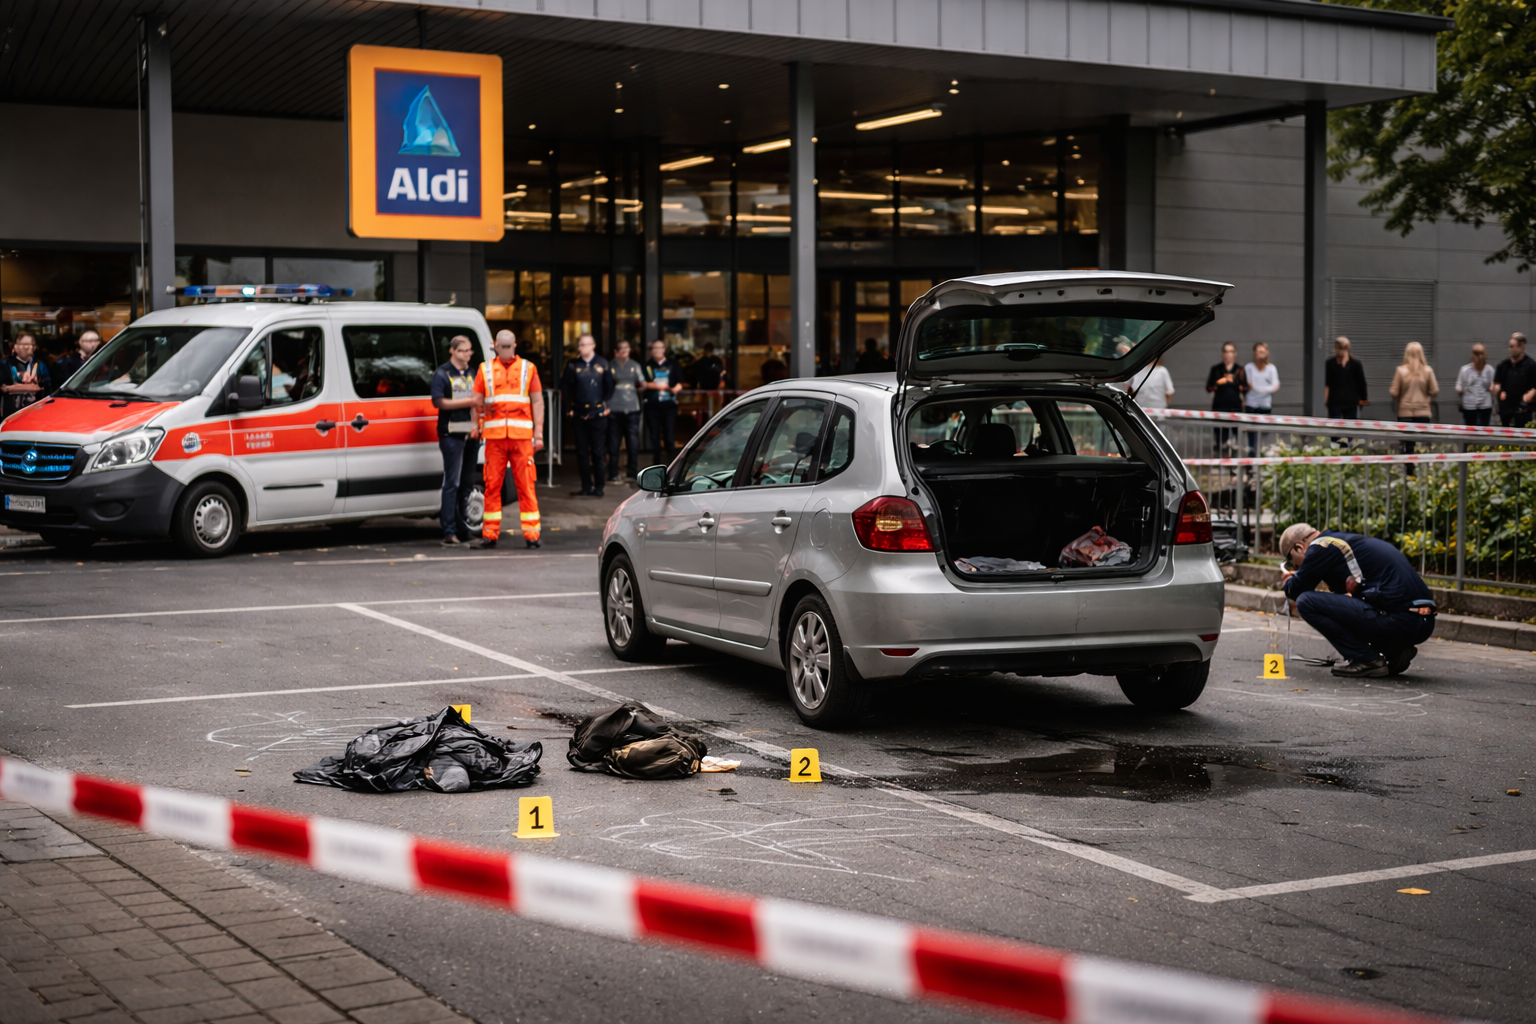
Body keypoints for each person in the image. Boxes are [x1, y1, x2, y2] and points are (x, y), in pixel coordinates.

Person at [1279, 521, 1436, 678]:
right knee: (1341, 605)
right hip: (1424, 623)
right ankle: (1395, 651)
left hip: (1400, 621)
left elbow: (1296, 591)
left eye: (1291, 561)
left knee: (1306, 602)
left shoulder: (1321, 545)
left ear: (1298, 547)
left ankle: (1367, 660)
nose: (1296, 567)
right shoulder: (1343, 542)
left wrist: (1288, 582)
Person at [471, 330, 545, 549]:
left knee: (526, 485)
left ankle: (532, 535)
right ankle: (490, 534)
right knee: (492, 486)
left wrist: (539, 433)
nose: (504, 351)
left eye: (507, 347)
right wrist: (475, 427)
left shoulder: (528, 369)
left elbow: (538, 401)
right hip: (495, 439)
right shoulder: (485, 370)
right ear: (495, 346)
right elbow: (477, 401)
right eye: (500, 347)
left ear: (514, 346)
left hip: (521, 438)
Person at [430, 335, 483, 547]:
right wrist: (469, 400)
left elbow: (477, 405)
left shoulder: (472, 373)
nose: (467, 354)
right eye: (462, 350)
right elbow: (439, 402)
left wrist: (476, 427)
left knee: (467, 484)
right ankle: (449, 530)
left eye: (469, 350)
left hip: (471, 434)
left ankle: (464, 529)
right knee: (452, 483)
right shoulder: (442, 374)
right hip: (451, 434)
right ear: (452, 351)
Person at [561, 333, 612, 497]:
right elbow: (566, 388)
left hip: (598, 414)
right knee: (581, 453)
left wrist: (606, 405)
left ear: (593, 345)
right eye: (580, 345)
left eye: (585, 344)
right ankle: (585, 486)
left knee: (598, 452)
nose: (582, 347)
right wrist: (568, 408)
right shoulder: (572, 365)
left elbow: (610, 387)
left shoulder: (602, 363)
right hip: (579, 413)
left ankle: (599, 487)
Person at [606, 340, 644, 483]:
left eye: (627, 350)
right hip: (614, 407)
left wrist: (636, 387)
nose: (624, 353)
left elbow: (643, 384)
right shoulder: (610, 365)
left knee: (632, 442)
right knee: (613, 443)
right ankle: (613, 473)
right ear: (616, 352)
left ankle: (632, 472)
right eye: (622, 350)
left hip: (632, 408)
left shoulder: (635, 365)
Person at [641, 339, 683, 466]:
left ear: (664, 349)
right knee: (654, 438)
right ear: (651, 350)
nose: (657, 350)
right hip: (652, 406)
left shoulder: (673, 364)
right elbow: (642, 384)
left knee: (669, 436)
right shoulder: (647, 365)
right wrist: (660, 387)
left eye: (660, 348)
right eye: (654, 348)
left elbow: (680, 382)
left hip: (669, 406)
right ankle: (656, 466)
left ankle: (671, 466)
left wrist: (675, 389)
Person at [1205, 342, 1247, 452]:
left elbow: (1245, 387)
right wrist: (1221, 381)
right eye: (1226, 351)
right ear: (1222, 354)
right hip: (1219, 407)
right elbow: (1209, 387)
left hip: (1235, 407)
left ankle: (1235, 465)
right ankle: (1220, 463)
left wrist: (1238, 384)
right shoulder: (1216, 369)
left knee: (1236, 439)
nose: (1228, 354)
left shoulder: (1239, 369)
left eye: (1231, 351)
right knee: (1220, 439)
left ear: (1235, 354)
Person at [2, 333, 51, 421]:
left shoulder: (40, 365)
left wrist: (12, 388)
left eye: (32, 344)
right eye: (25, 345)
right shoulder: (5, 364)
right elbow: (2, 388)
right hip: (11, 415)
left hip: (36, 415)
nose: (30, 347)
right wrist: (29, 387)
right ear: (16, 347)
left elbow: (47, 389)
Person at [1243, 342, 1280, 455]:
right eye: (1258, 352)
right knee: (1251, 437)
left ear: (1266, 353)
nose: (1260, 355)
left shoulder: (1271, 369)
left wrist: (1257, 388)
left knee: (1264, 436)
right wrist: (1265, 388)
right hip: (1251, 405)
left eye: (1262, 352)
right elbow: (1249, 385)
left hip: (1265, 406)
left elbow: (1275, 386)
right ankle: (1251, 464)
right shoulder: (1248, 368)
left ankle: (1262, 460)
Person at [1494, 332, 1536, 428]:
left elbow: (1534, 387)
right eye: (1510, 346)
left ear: (1522, 346)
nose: (1511, 349)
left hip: (1522, 409)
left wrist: (1527, 397)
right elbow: (1496, 384)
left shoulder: (1531, 365)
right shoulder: (1503, 365)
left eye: (1513, 347)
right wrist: (1499, 392)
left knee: (1522, 436)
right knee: (1505, 433)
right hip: (1506, 408)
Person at [1324, 336, 1369, 420]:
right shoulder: (1330, 364)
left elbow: (1361, 383)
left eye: (1343, 348)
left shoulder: (1355, 364)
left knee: (1350, 426)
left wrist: (1363, 399)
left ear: (1347, 349)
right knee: (1335, 425)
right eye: (1338, 348)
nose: (1340, 351)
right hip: (1335, 401)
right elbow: (1327, 383)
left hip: (1351, 401)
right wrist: (1326, 400)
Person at [1454, 342, 1496, 427]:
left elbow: (1493, 387)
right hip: (1469, 406)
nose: (1479, 357)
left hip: (1485, 406)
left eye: (1481, 354)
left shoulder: (1489, 370)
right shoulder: (1465, 370)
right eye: (1477, 354)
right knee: (1470, 431)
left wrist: (1492, 388)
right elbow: (1458, 386)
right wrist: (1463, 388)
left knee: (1484, 431)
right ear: (1473, 355)